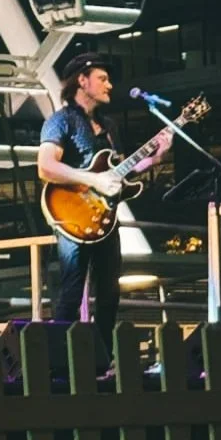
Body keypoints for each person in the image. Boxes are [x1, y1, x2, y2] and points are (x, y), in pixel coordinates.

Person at [37, 51, 170, 354]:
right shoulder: (61, 121)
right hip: (72, 215)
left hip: (106, 219)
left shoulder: (109, 126)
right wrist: (94, 180)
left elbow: (121, 172)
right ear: (82, 81)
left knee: (109, 292)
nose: (109, 85)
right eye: (103, 79)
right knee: (71, 292)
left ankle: (104, 358)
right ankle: (59, 360)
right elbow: (45, 166)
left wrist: (156, 156)